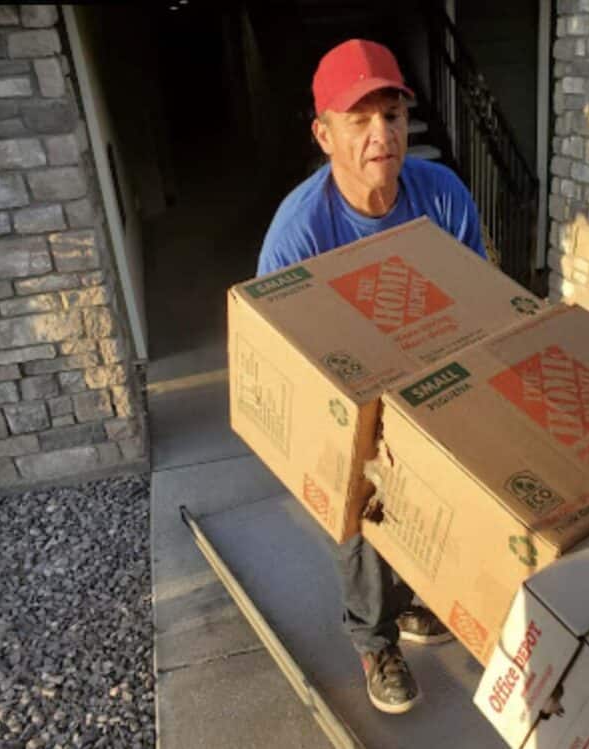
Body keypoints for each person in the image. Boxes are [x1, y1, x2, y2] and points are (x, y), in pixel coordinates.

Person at [256, 38, 487, 715]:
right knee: (359, 497)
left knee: (435, 492)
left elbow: (477, 295)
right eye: (359, 121)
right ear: (324, 134)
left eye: (390, 115)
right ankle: (373, 636)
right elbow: (279, 353)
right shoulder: (301, 231)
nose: (381, 135)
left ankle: (412, 602)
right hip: (339, 391)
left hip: (426, 374)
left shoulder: (440, 194)